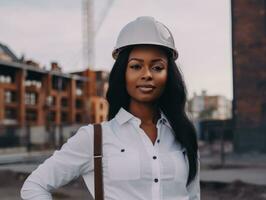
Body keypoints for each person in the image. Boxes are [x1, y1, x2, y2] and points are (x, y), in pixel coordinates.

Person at [21, 16, 200, 200]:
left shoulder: (183, 134)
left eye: (157, 67)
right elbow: (34, 186)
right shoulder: (95, 138)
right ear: (123, 72)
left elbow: (193, 196)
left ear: (169, 75)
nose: (147, 75)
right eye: (136, 66)